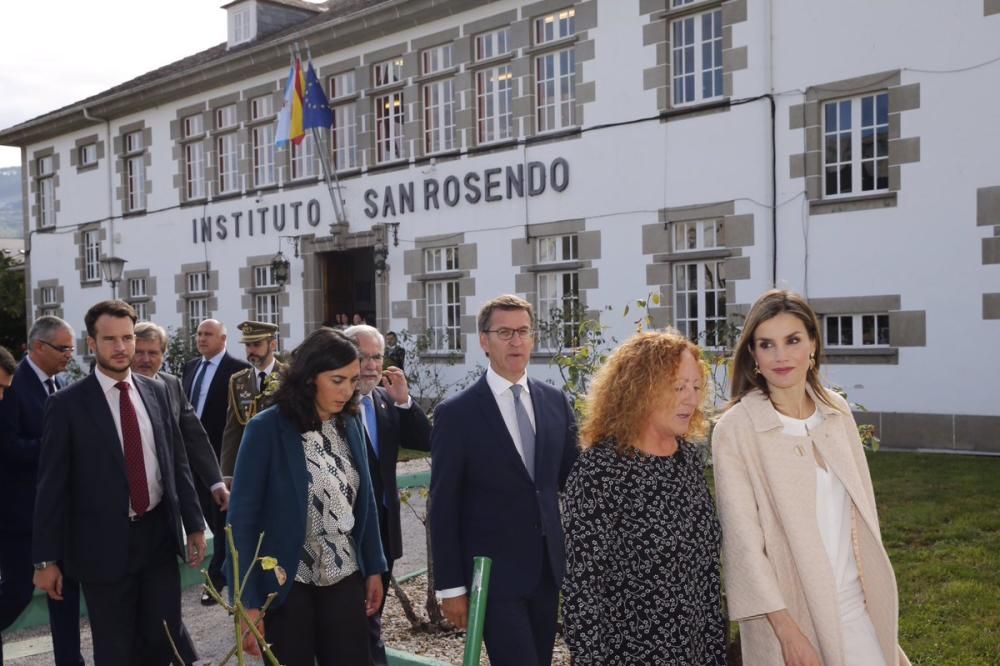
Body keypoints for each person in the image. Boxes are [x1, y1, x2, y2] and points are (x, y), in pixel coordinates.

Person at [712, 289, 910, 666]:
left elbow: (864, 515)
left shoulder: (836, 412)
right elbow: (744, 548)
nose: (781, 356)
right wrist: (788, 634)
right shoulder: (736, 430)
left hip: (859, 608)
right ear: (753, 355)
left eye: (793, 340)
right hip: (792, 621)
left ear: (813, 345)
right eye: (766, 344)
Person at [32, 300, 206, 665]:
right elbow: (51, 487)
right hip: (101, 546)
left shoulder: (157, 391)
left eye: (127, 337)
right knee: (115, 650)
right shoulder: (67, 405)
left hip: (157, 535)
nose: (121, 347)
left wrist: (193, 524)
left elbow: (177, 463)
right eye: (110, 339)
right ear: (91, 343)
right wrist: (45, 559)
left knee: (164, 640)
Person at [560, 331, 727, 663]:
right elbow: (582, 589)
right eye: (678, 387)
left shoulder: (688, 460)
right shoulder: (601, 470)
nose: (690, 399)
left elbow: (706, 575)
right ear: (640, 389)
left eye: (696, 387)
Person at [429, 295, 578, 666]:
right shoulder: (456, 414)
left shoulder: (555, 401)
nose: (516, 341)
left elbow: (575, 479)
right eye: (505, 332)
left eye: (523, 331)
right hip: (492, 578)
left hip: (547, 572)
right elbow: (442, 506)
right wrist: (451, 588)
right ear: (484, 340)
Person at [227, 327, 386, 666]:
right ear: (310, 378)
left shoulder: (350, 423)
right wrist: (247, 602)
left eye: (353, 380)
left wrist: (373, 566)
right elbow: (241, 519)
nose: (348, 391)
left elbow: (366, 500)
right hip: (286, 583)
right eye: (337, 380)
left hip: (344, 573)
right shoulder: (265, 429)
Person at [132, 321, 228, 665]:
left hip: (162, 513)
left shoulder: (170, 385)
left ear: (163, 355)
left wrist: (215, 482)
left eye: (152, 353)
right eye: (138, 352)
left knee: (164, 607)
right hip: (120, 520)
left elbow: (192, 437)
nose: (145, 360)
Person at [343, 324, 430, 666]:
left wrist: (406, 401)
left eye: (376, 357)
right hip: (347, 533)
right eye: (361, 356)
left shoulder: (385, 400)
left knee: (371, 618)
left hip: (384, 532)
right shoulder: (331, 406)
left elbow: (426, 441)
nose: (370, 365)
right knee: (354, 625)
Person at [0, 317, 84, 666]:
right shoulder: (10, 384)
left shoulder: (60, 383)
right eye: (62, 349)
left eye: (71, 348)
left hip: (59, 512)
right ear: (38, 347)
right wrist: (54, 446)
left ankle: (70, 660)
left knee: (65, 589)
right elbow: (7, 448)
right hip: (21, 514)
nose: (69, 355)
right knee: (18, 592)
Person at [181, 318, 250, 603]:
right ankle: (221, 572)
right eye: (198, 334)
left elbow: (239, 420)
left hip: (220, 458)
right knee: (202, 516)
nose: (201, 339)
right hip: (189, 457)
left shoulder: (238, 371)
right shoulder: (190, 368)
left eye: (208, 334)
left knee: (223, 520)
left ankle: (217, 578)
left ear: (223, 339)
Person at [220, 320, 287, 483]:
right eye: (248, 345)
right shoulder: (238, 381)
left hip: (283, 459)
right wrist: (227, 472)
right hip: (250, 462)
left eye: (256, 344)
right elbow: (233, 429)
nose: (251, 351)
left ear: (272, 345)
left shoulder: (289, 376)